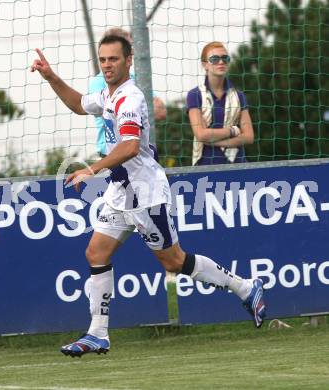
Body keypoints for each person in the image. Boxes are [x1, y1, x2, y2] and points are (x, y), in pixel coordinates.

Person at [30, 35, 266, 358]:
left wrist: (92, 169)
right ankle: (97, 333)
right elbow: (78, 104)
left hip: (145, 195)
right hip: (120, 192)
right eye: (103, 60)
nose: (107, 65)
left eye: (114, 59)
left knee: (174, 261)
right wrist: (51, 76)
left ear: (129, 62)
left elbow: (128, 147)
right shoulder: (108, 94)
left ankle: (245, 287)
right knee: (96, 253)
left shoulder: (131, 98)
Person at [89, 27, 166, 158]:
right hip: (111, 152)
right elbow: (110, 113)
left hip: (141, 151)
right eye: (128, 45)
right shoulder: (98, 81)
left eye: (131, 45)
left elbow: (161, 110)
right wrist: (142, 109)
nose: (132, 50)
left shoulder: (137, 77)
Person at [187, 41, 254, 165]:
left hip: (237, 164)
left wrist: (216, 141)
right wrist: (233, 131)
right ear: (204, 64)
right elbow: (201, 134)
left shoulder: (239, 96)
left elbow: (249, 136)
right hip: (206, 166)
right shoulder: (195, 95)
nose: (221, 62)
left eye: (225, 58)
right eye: (214, 59)